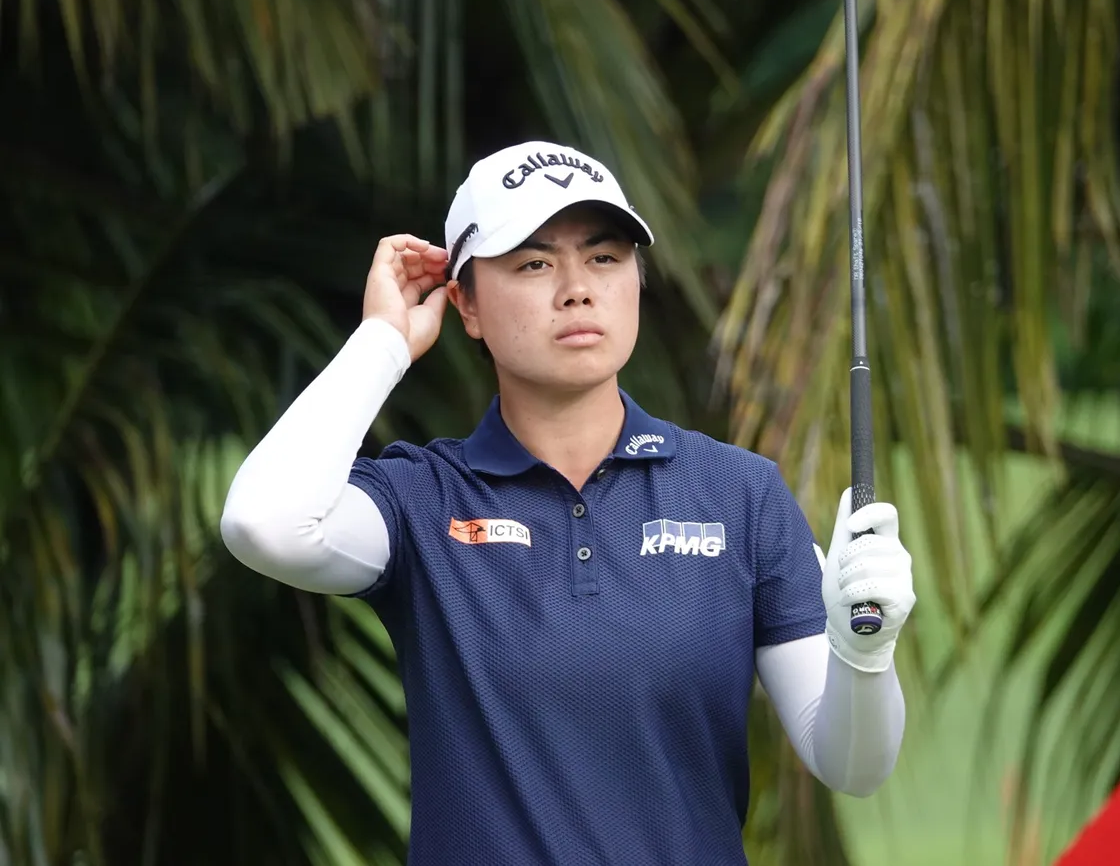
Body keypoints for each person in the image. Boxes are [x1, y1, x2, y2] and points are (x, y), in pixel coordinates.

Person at [220, 140, 918, 865]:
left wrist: (863, 653)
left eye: (605, 257)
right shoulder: (423, 498)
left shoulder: (739, 493)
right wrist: (383, 342)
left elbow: (853, 765)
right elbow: (262, 523)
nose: (577, 289)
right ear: (465, 303)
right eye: (534, 263)